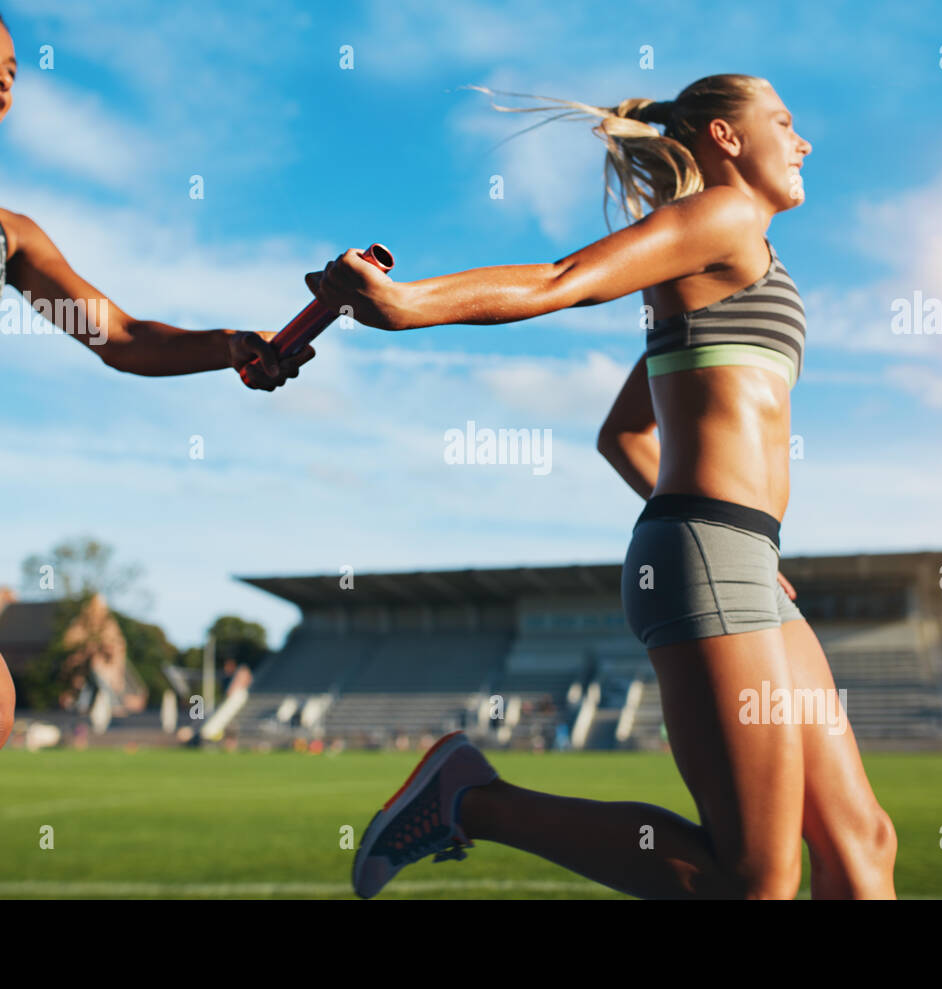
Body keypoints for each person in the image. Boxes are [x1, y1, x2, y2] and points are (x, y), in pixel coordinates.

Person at [315, 75, 898, 899]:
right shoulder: (722, 215)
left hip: (746, 558)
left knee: (863, 844)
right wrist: (408, 305)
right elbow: (565, 278)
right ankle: (471, 799)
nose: (803, 142)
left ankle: (467, 794)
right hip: (713, 550)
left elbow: (624, 431)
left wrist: (737, 550)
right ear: (726, 137)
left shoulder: (740, 259)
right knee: (753, 878)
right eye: (785, 122)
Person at [0, 1, 312, 899]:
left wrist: (228, 343)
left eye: (16, 68)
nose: (2, 75)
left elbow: (120, 334)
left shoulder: (7, 235)